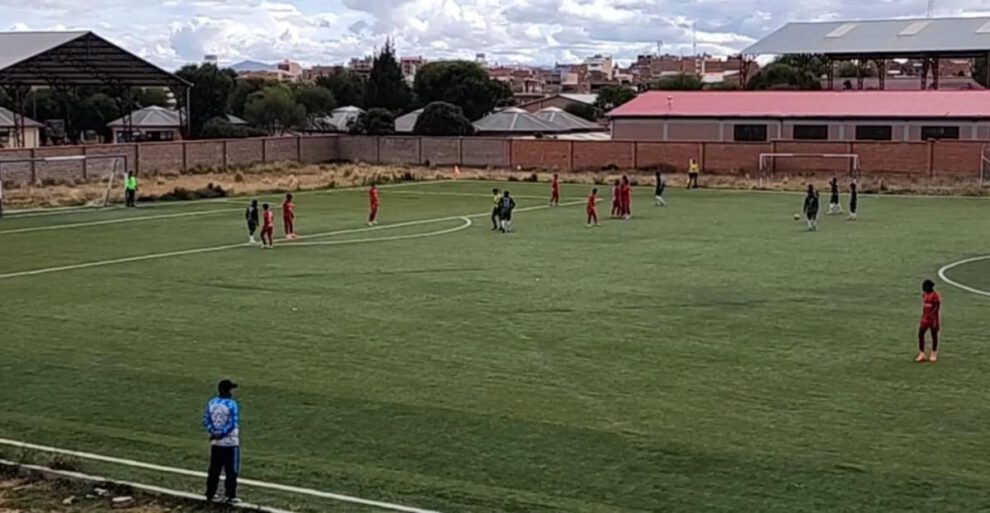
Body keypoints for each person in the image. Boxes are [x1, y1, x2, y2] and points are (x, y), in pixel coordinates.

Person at [203, 379, 240, 504]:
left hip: (216, 443)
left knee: (214, 469)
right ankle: (230, 495)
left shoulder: (211, 403)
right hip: (230, 442)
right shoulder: (232, 404)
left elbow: (206, 420)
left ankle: (210, 493)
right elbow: (232, 422)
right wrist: (222, 433)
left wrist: (214, 432)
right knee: (231, 470)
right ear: (227, 390)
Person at [917, 280, 942, 362]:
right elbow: (924, 307)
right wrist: (923, 316)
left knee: (933, 335)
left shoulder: (935, 295)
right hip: (925, 318)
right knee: (920, 334)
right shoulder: (924, 295)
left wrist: (933, 317)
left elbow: (937, 307)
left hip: (933, 319)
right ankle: (922, 353)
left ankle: (933, 353)